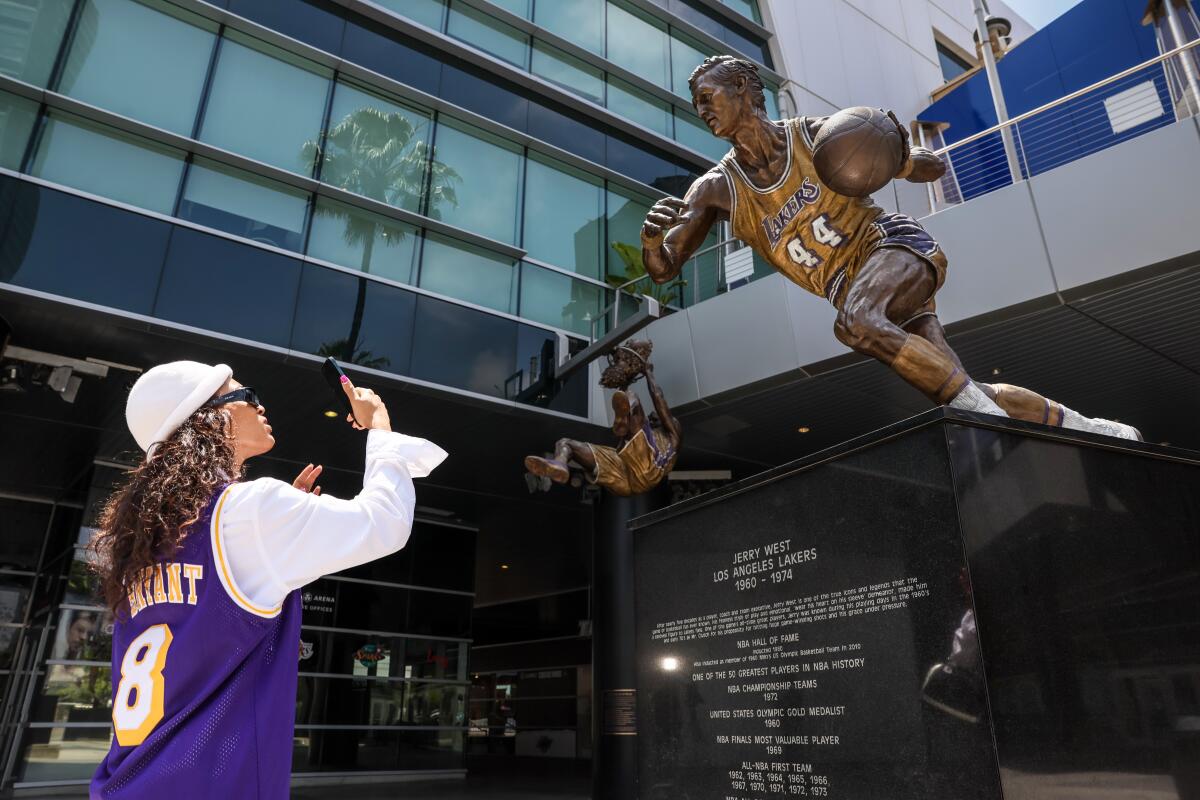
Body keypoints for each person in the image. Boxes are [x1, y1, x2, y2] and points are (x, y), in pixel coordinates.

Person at [640, 55, 1139, 440]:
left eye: (709, 97)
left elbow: (931, 167)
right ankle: (1090, 428)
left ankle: (989, 424)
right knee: (962, 387)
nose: (703, 110)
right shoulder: (713, 190)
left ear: (744, 90)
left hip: (892, 249)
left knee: (857, 325)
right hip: (855, 291)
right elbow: (664, 269)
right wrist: (649, 240)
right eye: (698, 103)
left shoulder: (814, 136)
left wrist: (896, 147)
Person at [88, 360, 446, 798]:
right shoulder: (248, 513)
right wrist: (381, 427)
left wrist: (278, 536)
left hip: (128, 782)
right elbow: (384, 523)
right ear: (211, 417)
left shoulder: (143, 549)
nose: (260, 404)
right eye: (245, 395)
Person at [524, 341, 681, 496]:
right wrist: (621, 371)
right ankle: (559, 465)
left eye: (656, 417)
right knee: (565, 443)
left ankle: (623, 422)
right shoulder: (647, 441)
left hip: (647, 470)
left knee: (632, 399)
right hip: (624, 477)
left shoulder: (671, 434)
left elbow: (658, 398)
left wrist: (649, 374)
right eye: (653, 416)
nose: (653, 416)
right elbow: (623, 399)